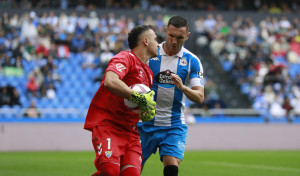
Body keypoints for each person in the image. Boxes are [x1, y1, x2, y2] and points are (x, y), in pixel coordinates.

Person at [84, 25, 159, 176]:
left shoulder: (149, 74)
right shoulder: (125, 58)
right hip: (109, 124)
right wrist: (135, 96)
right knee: (110, 171)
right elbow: (110, 82)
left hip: (130, 131)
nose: (158, 44)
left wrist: (144, 113)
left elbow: (136, 106)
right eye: (156, 39)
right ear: (145, 41)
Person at [138, 16, 205, 176]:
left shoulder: (192, 61)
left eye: (180, 37)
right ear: (166, 31)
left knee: (171, 163)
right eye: (171, 36)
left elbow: (199, 97)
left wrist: (183, 87)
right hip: (144, 123)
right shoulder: (148, 54)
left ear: (187, 36)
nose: (174, 41)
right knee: (132, 168)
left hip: (174, 124)